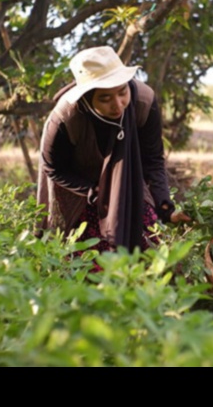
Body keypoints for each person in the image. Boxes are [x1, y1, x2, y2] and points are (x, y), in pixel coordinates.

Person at [36, 46, 190, 257]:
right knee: (86, 258)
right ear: (88, 98)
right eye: (105, 99)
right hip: (80, 187)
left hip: (127, 178)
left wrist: (166, 209)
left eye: (122, 92)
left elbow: (152, 160)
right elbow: (53, 167)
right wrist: (93, 190)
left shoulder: (143, 102)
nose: (118, 105)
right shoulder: (66, 118)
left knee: (147, 253)